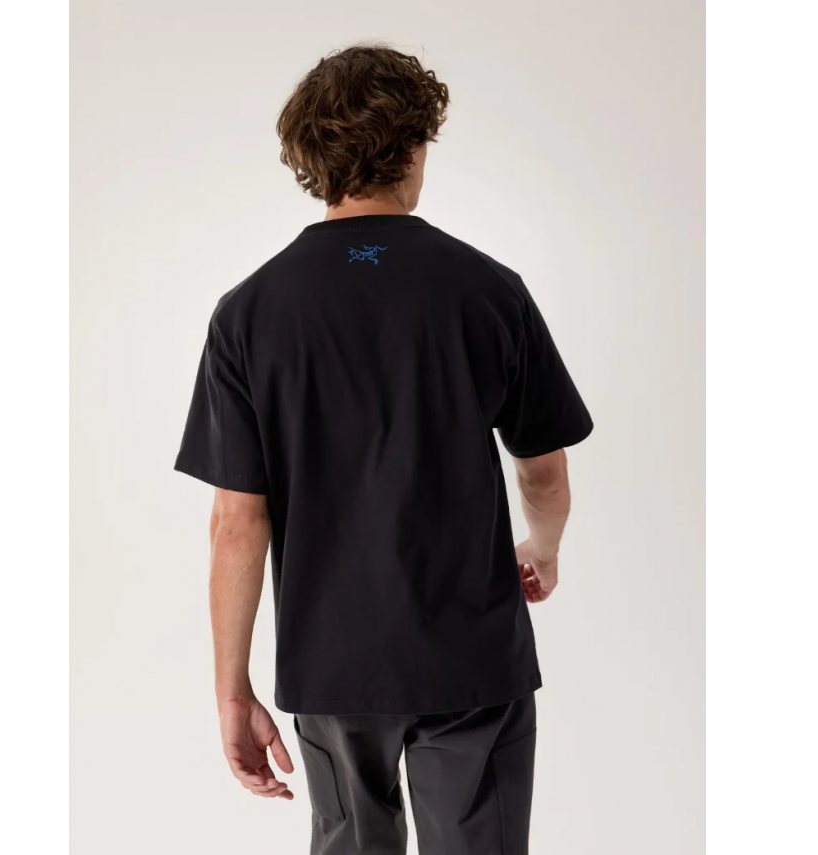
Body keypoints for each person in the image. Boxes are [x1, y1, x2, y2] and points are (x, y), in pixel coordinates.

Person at [175, 44, 593, 855]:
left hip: (330, 663)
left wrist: (233, 690)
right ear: (413, 147)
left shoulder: (249, 312)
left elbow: (236, 521)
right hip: (471, 654)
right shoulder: (487, 290)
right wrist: (542, 548)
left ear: (314, 158)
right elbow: (543, 468)